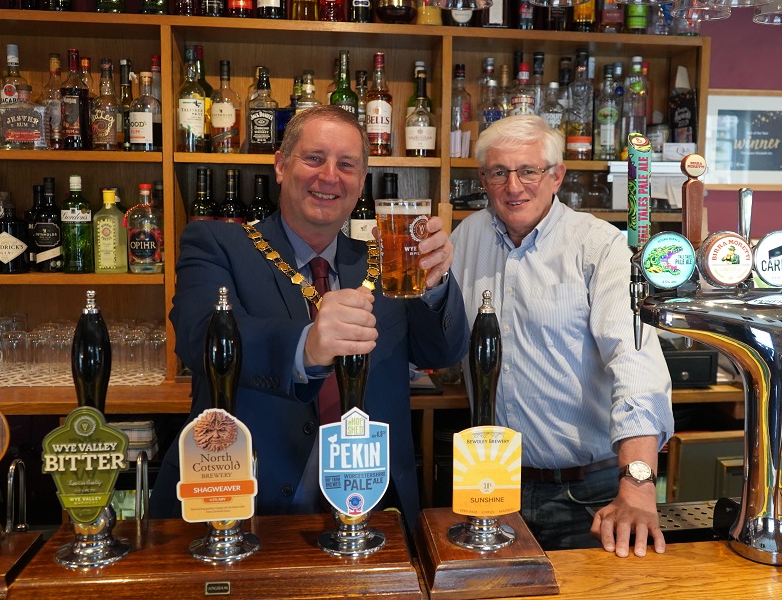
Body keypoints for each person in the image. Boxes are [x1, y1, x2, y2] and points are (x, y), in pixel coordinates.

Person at [150, 105, 469, 532]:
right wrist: (306, 347)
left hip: (373, 510)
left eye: (347, 165)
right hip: (244, 506)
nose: (330, 176)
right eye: (314, 158)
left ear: (361, 184)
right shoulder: (217, 243)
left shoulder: (385, 260)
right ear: (281, 165)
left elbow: (443, 351)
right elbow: (199, 337)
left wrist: (436, 283)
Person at [450, 115, 674, 556]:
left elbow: (635, 365)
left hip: (586, 494)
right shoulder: (466, 240)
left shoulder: (600, 246)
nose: (513, 186)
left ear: (557, 176)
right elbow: (445, 344)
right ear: (483, 178)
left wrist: (639, 485)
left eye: (528, 171)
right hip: (491, 485)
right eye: (499, 172)